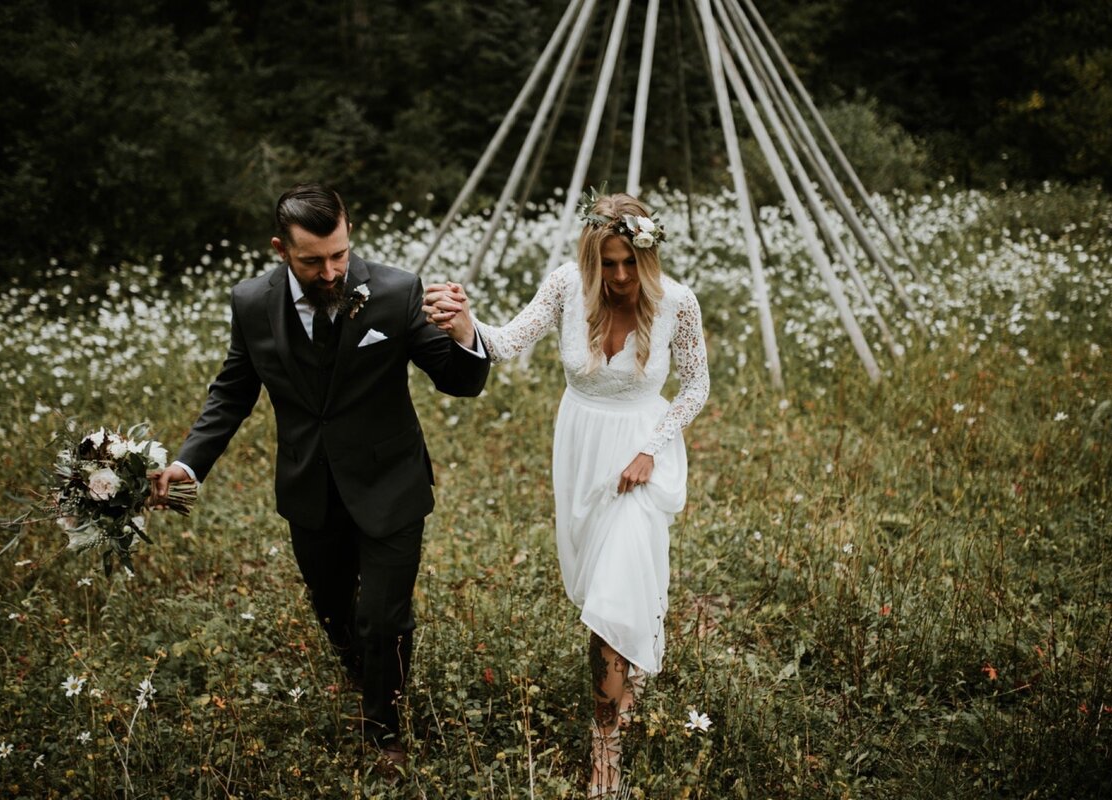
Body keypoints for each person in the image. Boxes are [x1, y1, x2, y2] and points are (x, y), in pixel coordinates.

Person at [150, 183, 490, 771]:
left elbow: (461, 382)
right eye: (312, 260)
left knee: (384, 616)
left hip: (391, 483)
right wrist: (186, 463)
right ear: (281, 248)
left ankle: (385, 730)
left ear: (348, 232)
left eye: (339, 253)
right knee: (336, 613)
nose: (331, 271)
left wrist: (464, 333)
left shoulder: (396, 290)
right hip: (309, 487)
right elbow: (232, 393)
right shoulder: (252, 302)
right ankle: (371, 676)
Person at [424, 191, 709, 797]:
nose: (621, 276)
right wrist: (463, 322)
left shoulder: (677, 303)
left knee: (612, 595)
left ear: (648, 254)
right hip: (580, 450)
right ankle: (619, 687)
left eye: (631, 261)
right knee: (596, 581)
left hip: (641, 452)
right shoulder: (564, 288)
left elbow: (695, 386)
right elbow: (501, 344)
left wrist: (651, 449)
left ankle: (604, 749)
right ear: (590, 258)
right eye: (608, 263)